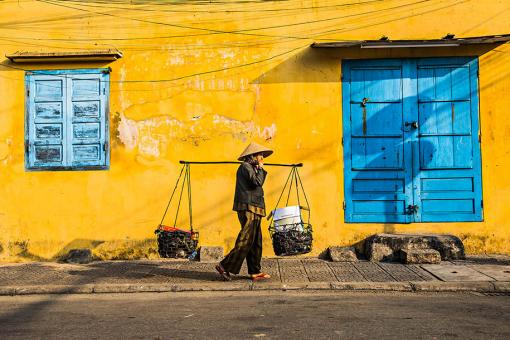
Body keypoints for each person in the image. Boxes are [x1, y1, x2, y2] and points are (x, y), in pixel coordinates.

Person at [215, 142, 273, 281]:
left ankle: (255, 271)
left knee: (256, 241)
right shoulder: (246, 167)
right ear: (252, 156)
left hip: (255, 207)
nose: (262, 158)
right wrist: (261, 168)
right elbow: (257, 182)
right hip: (248, 207)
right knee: (246, 240)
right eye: (260, 156)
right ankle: (224, 266)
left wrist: (259, 168)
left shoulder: (251, 167)